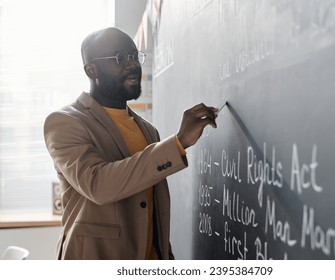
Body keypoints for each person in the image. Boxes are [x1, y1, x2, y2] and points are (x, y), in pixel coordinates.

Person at [43, 27, 218, 260]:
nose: (133, 65)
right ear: (91, 69)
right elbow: (98, 185)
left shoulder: (148, 130)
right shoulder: (64, 122)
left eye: (135, 56)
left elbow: (153, 209)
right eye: (120, 58)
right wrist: (178, 143)